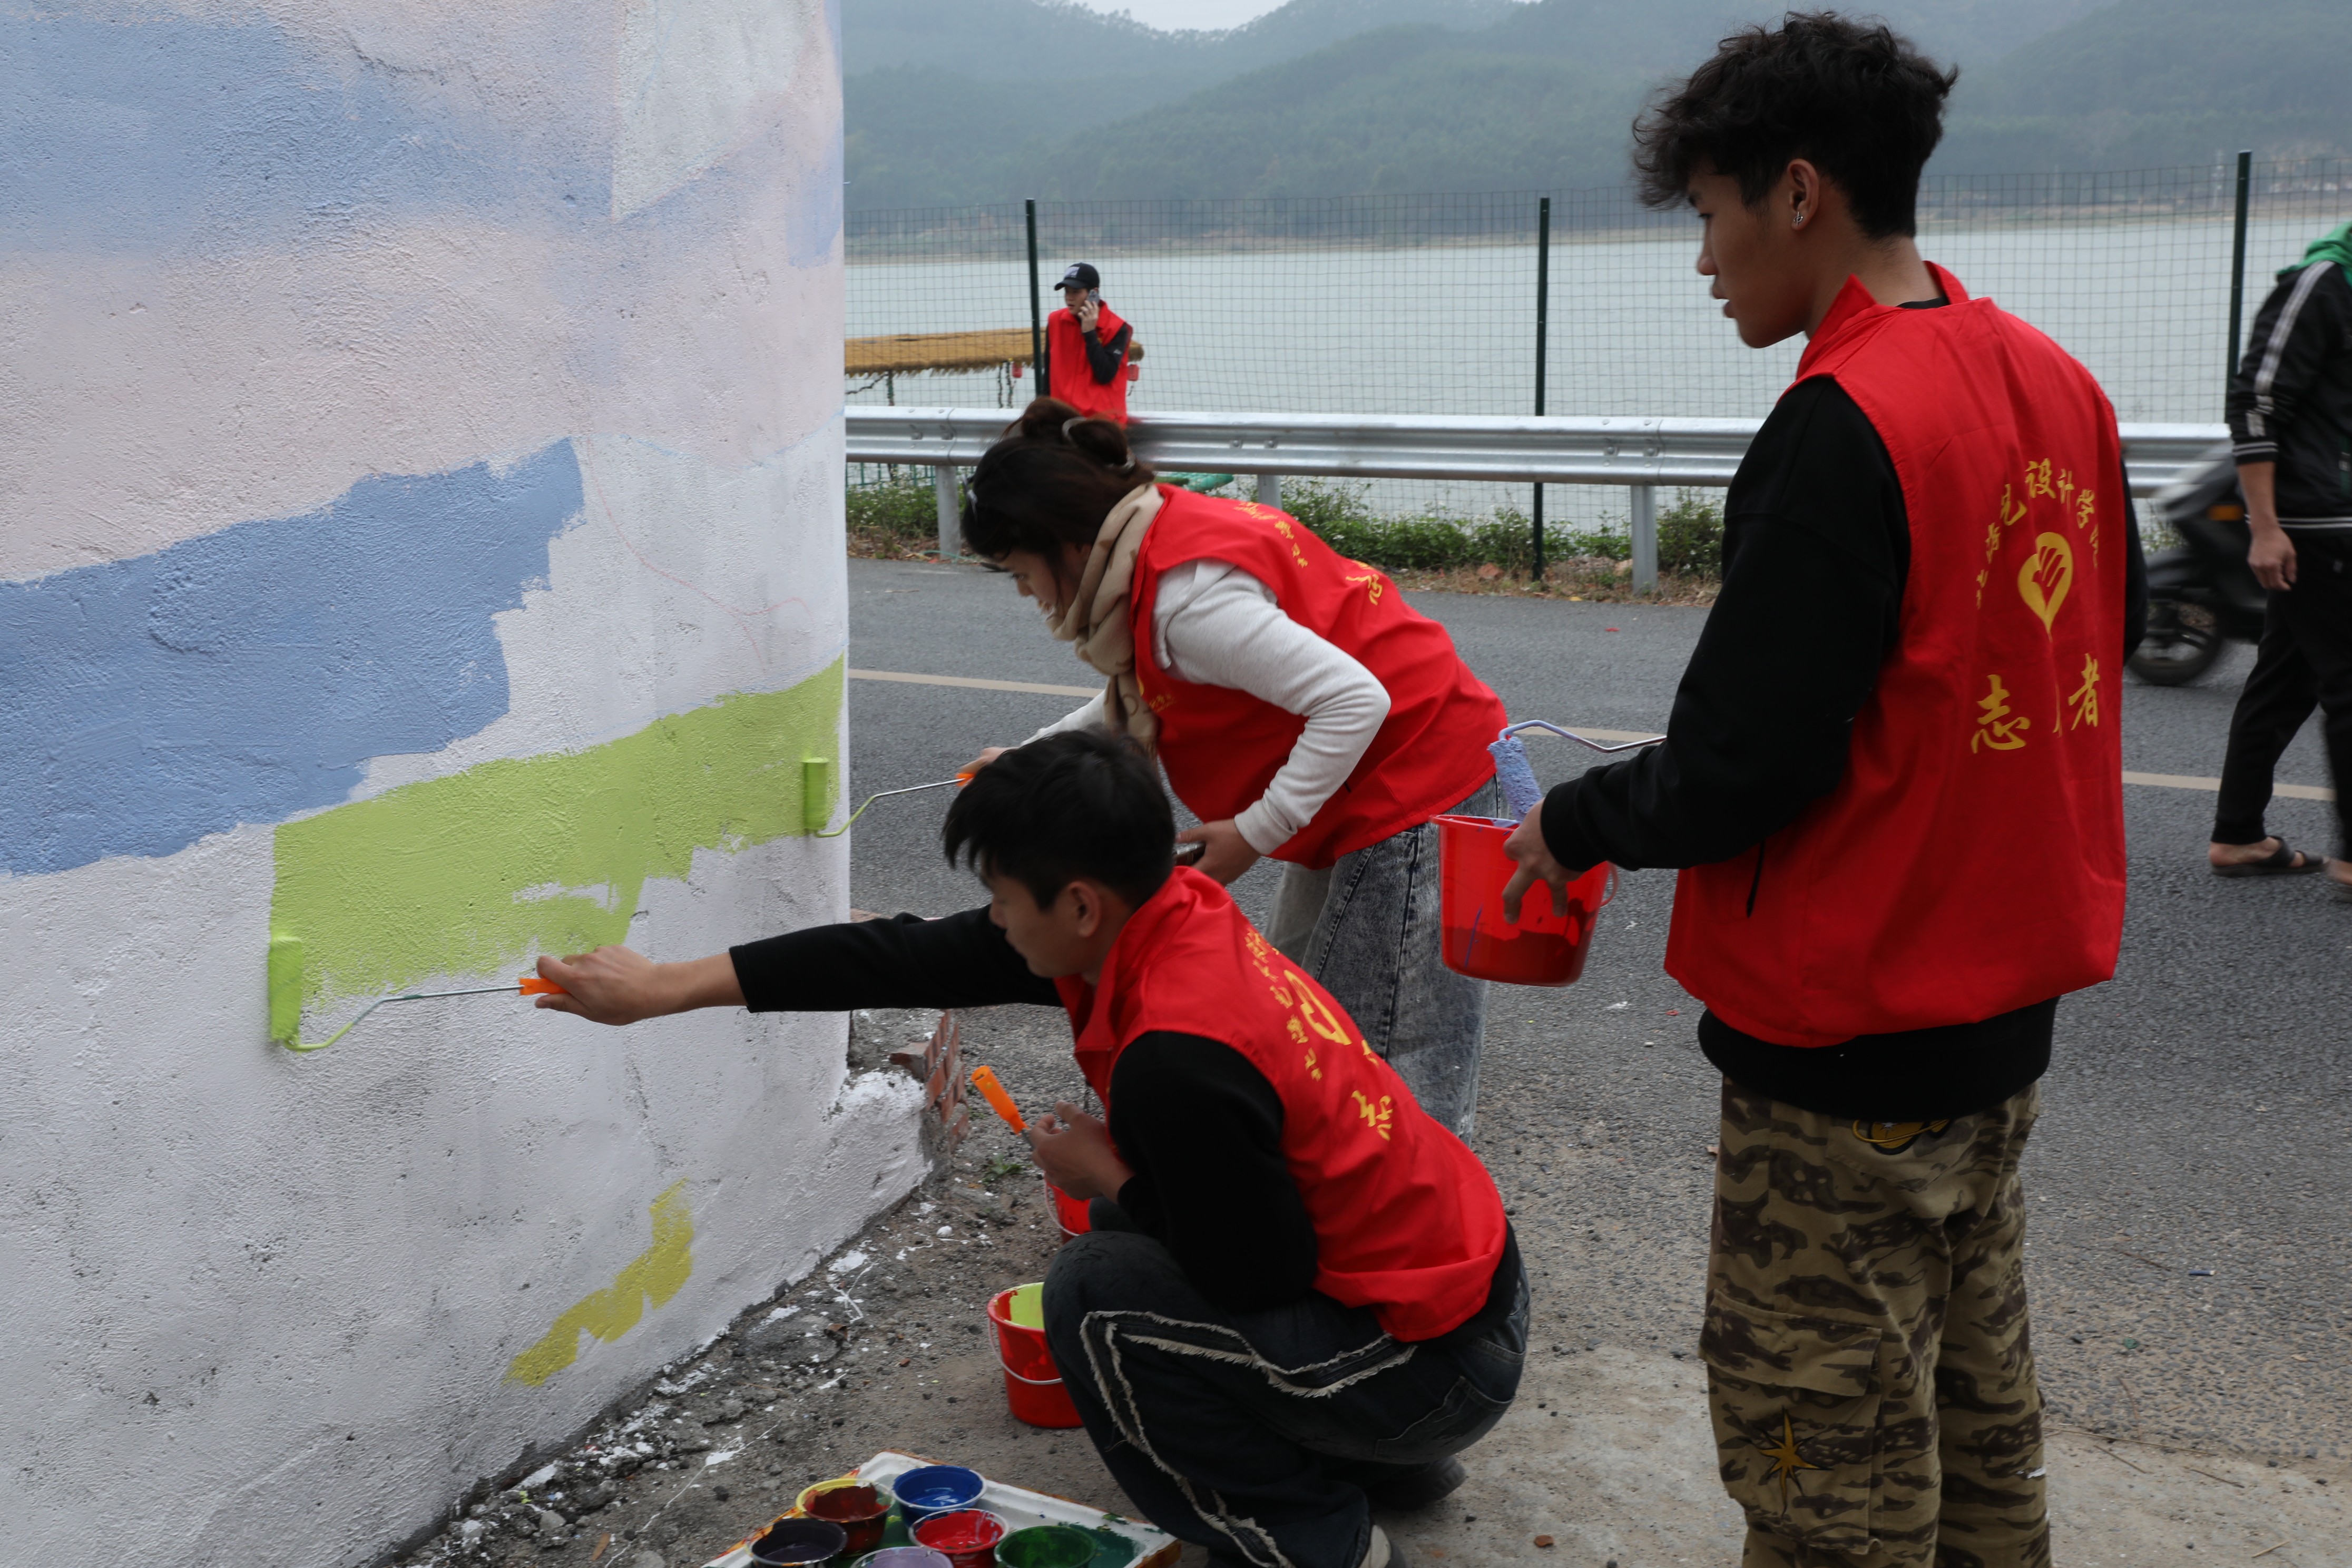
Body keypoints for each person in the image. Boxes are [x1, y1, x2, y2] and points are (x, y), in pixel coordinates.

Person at [1499, 16, 2145, 1568]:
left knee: (1826, 1475)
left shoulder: (1844, 423)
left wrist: (1570, 822)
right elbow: (2084, 646)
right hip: (1998, 1030)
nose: (1704, 258)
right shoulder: (2060, 384)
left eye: (1710, 212)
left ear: (1798, 194)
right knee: (1975, 1427)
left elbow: (1742, 763)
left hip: (1848, 1045)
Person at [534, 732, 1526, 1568]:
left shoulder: (1177, 1055)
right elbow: (898, 954)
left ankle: (1318, 1538)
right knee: (1144, 1234)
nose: (994, 920)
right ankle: (1380, 1457)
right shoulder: (1169, 911)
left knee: (1098, 1291)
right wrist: (667, 986)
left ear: (1079, 904)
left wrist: (1108, 1176)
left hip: (1433, 1368)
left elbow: (1258, 1271)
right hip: (1456, 1304)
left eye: (1003, 897)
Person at [960, 399, 1510, 1136]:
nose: (1027, 593)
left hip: (1416, 781)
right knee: (1305, 1016)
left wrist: (1256, 831)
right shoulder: (1154, 538)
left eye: (1019, 572)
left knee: (1384, 1067)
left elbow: (1355, 699)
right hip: (1364, 784)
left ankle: (1421, 1204)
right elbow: (1154, 685)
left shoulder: (1186, 603)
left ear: (1065, 542)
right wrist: (1032, 756)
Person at [2208, 218, 2352, 891]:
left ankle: (2238, 835)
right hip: (2314, 521)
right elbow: (2256, 401)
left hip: (2331, 514)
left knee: (2285, 679)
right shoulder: (2323, 282)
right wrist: (2264, 527)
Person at [1045, 262, 1134, 424]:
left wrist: (1089, 333)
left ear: (1094, 293)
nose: (1069, 297)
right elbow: (1048, 374)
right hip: (1061, 419)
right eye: (1067, 291)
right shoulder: (1055, 321)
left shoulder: (1117, 328)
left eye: (1076, 292)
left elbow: (1105, 375)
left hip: (1101, 424)